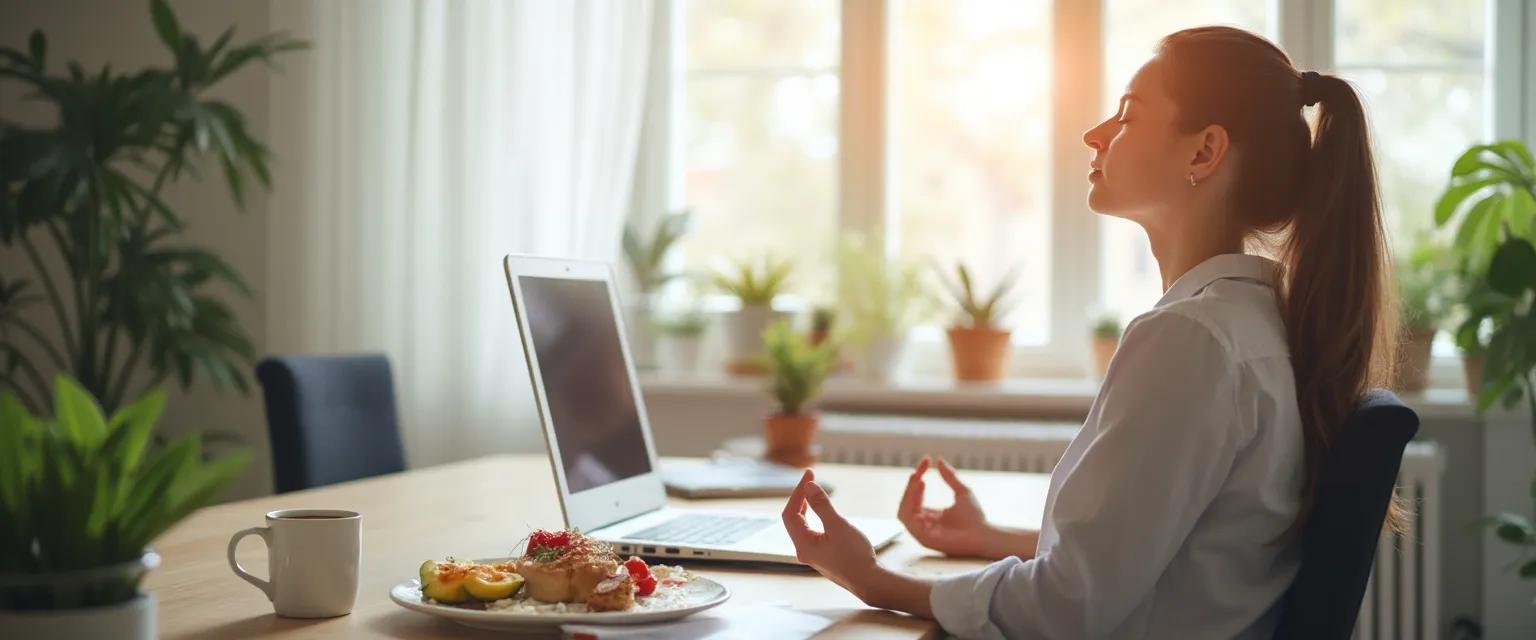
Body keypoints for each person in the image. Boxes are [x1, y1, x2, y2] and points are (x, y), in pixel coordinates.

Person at [780, 25, 1398, 639]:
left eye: (1127, 116)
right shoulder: (1258, 323)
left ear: (1204, 152)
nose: (1094, 135)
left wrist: (870, 578)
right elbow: (1185, 550)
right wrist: (993, 539)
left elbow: (1067, 607)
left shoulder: (1193, 340)